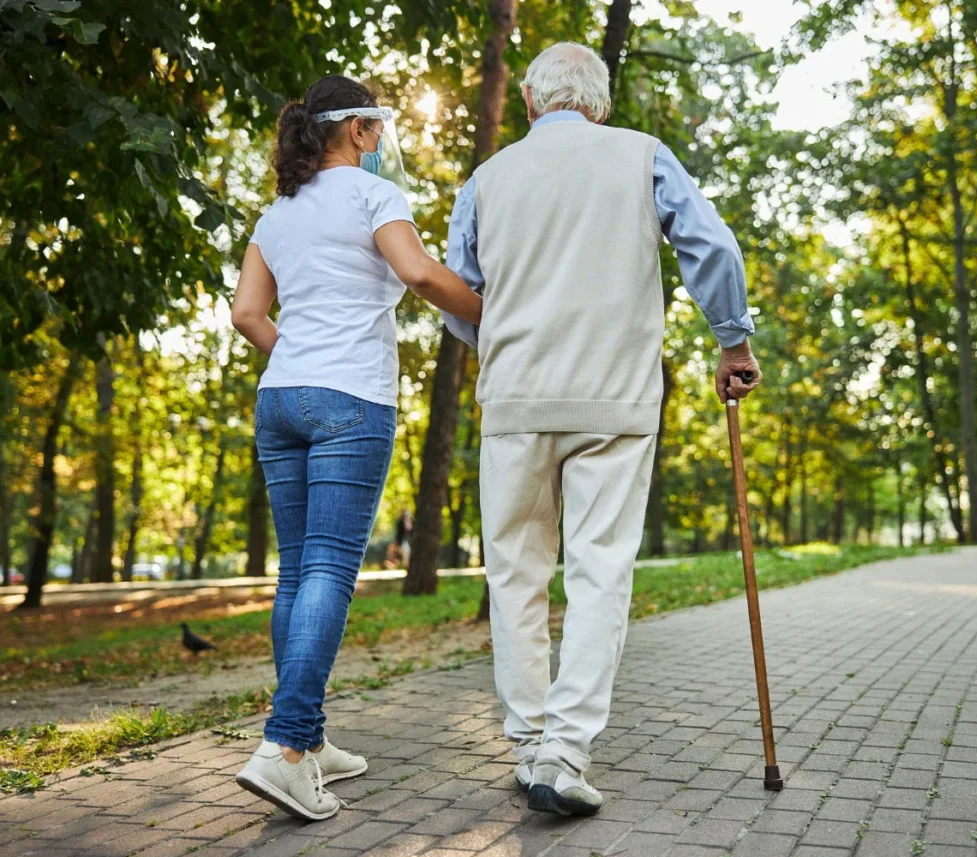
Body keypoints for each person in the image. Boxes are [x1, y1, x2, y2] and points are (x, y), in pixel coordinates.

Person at [443, 42, 761, 817]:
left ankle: (527, 741)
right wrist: (733, 340)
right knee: (598, 573)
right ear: (601, 104)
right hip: (614, 404)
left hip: (516, 401)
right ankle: (565, 750)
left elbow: (458, 290)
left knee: (514, 574)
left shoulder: (486, 179)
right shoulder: (642, 155)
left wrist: (506, 345)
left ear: (528, 103)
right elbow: (710, 245)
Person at [230, 74, 481, 821]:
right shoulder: (375, 197)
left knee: (295, 572)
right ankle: (285, 749)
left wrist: (297, 356)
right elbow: (419, 273)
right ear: (361, 131)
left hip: (281, 397)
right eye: (379, 128)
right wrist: (496, 318)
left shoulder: (277, 211)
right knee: (332, 570)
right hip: (351, 401)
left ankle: (308, 733)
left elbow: (248, 313)